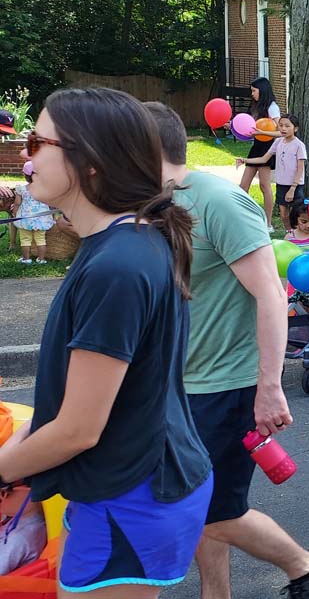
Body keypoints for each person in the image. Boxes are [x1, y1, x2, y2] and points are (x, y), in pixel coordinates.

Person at [0, 88, 212, 596]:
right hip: (126, 486)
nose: (25, 158)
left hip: (132, 496)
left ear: (89, 161)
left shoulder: (117, 265)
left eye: (36, 142)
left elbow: (78, 428)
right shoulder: (124, 243)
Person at [151, 101, 309, 599]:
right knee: (201, 503)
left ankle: (305, 566)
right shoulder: (150, 208)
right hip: (178, 384)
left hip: (228, 385)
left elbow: (273, 295)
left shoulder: (220, 203)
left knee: (211, 508)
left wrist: (270, 388)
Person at [236, 113, 305, 230]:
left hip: (295, 186)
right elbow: (263, 158)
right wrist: (245, 160)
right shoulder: (278, 142)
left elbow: (300, 168)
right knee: (284, 215)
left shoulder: (299, 145)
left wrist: (293, 188)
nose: (283, 128)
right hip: (281, 184)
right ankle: (291, 234)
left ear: (295, 128)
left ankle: (300, 235)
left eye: (287, 126)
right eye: (281, 125)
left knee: (297, 214)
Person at [241, 77, 282, 229]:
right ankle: (245, 219)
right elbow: (251, 129)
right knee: (243, 186)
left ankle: (268, 223)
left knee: (265, 186)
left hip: (267, 148)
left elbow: (281, 130)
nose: (252, 94)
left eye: (254, 91)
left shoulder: (272, 107)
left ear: (262, 90)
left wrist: (263, 132)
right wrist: (232, 127)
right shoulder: (255, 107)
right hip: (256, 147)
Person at [12, 160, 55, 264]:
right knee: (41, 240)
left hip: (25, 219)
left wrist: (14, 213)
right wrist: (52, 215)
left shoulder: (21, 189)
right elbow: (51, 204)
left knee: (25, 240)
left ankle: (26, 259)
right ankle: (41, 259)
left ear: (25, 175)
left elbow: (17, 203)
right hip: (41, 219)